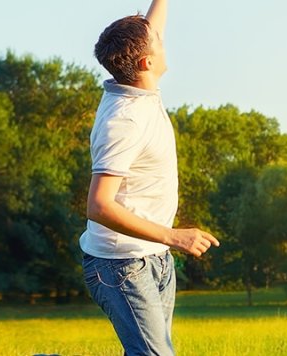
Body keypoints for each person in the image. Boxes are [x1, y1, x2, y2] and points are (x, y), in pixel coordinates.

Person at [82, 0, 220, 354]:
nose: (162, 39)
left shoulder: (139, 88)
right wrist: (174, 236)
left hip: (154, 257)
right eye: (157, 41)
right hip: (122, 264)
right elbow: (98, 205)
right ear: (147, 63)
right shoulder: (123, 120)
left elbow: (152, 26)